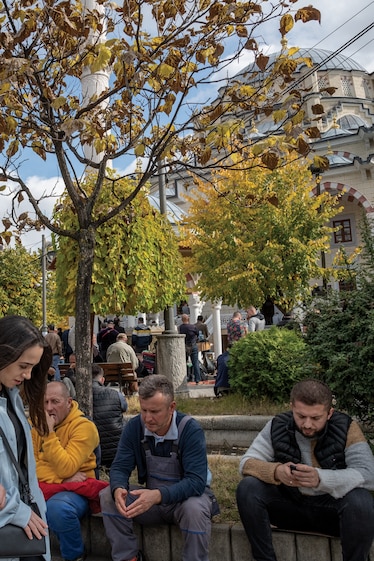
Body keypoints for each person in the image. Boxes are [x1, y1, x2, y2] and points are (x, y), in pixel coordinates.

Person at [236, 378, 374, 561]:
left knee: (361, 501)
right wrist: (276, 472)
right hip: (290, 506)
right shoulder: (277, 424)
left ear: (329, 413)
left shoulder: (347, 427)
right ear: (292, 407)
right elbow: (246, 463)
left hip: (333, 511)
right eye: (301, 416)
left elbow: (368, 474)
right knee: (248, 488)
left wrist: (321, 479)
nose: (307, 424)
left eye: (316, 418)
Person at [100, 375, 218, 561]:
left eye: (155, 411)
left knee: (194, 509)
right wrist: (119, 488)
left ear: (172, 407)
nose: (148, 418)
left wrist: (157, 495)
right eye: (143, 410)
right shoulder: (134, 427)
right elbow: (120, 467)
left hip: (185, 501)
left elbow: (196, 482)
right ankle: (128, 557)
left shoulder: (190, 430)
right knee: (107, 495)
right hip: (153, 502)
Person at [32, 381, 106, 561]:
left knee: (58, 509)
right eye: (45, 402)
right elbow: (30, 467)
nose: (49, 408)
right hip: (52, 486)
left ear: (69, 402)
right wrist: (61, 481)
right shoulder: (34, 426)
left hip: (79, 490)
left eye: (55, 401)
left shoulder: (84, 427)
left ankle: (75, 556)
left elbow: (67, 467)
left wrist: (49, 434)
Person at [0, 315, 51, 561]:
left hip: (28, 522)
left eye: (32, 367)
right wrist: (16, 512)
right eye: (23, 366)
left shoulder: (12, 397)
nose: (28, 375)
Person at [92, 364, 127, 469]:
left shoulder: (78, 397)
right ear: (102, 380)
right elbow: (124, 407)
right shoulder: (115, 394)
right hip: (116, 450)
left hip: (93, 451)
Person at [178, 314, 201, 384]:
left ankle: (183, 379)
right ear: (188, 319)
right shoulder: (193, 327)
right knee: (195, 363)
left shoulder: (180, 328)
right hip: (193, 345)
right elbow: (198, 334)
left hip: (184, 346)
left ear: (182, 320)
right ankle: (197, 379)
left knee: (183, 363)